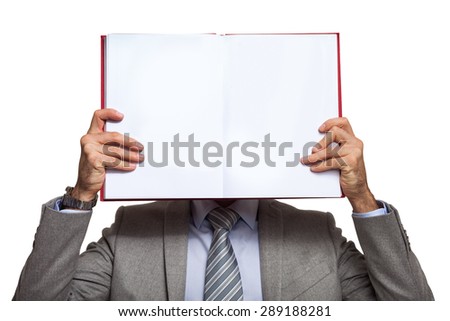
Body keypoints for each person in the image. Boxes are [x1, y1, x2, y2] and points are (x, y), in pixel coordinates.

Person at [13, 108, 433, 301]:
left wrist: (362, 198)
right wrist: (82, 196)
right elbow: (34, 308)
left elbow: (412, 310)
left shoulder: (318, 233)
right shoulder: (130, 229)